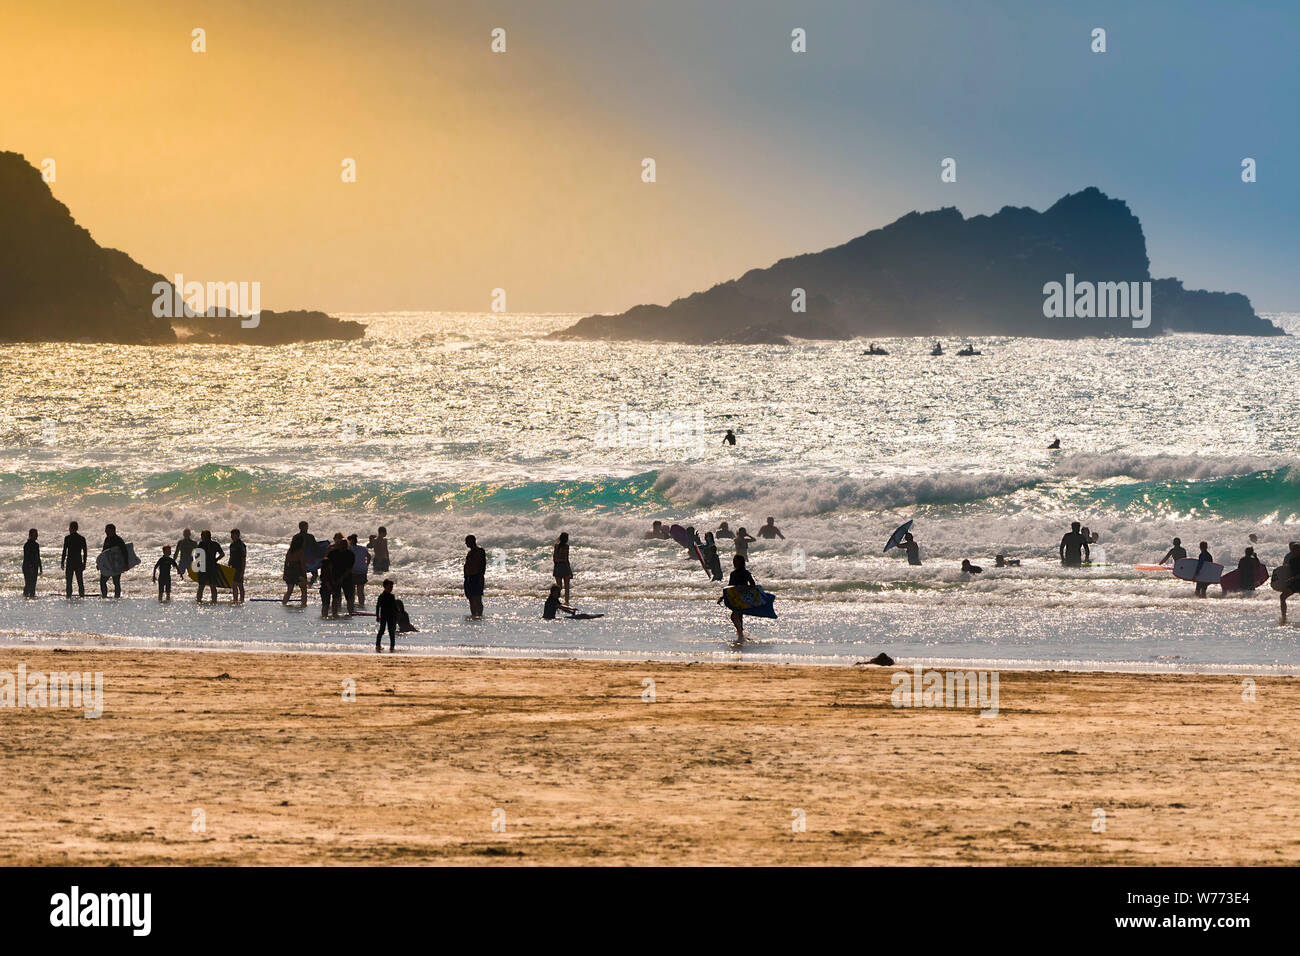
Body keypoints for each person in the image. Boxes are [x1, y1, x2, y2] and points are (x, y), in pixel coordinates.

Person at [721, 554, 758, 643]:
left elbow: (752, 584)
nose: (734, 563)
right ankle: (741, 636)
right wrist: (722, 597)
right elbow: (729, 587)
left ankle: (740, 634)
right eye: (733, 561)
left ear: (741, 562)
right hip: (735, 598)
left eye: (735, 561)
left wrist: (744, 588)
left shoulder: (745, 573)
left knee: (734, 616)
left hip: (743, 598)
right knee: (739, 616)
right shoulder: (733, 573)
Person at [328, 534, 356, 615]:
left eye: (344, 544)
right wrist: (331, 578)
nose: (342, 546)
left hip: (346, 578)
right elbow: (328, 565)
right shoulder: (333, 553)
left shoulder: (350, 554)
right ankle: (334, 614)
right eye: (341, 544)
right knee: (335, 598)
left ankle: (350, 613)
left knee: (349, 598)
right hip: (335, 577)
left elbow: (349, 568)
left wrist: (342, 577)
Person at [195, 530, 225, 603]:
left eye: (202, 536)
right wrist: (216, 560)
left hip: (204, 566)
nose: (201, 537)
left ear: (205, 536)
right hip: (212, 566)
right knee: (212, 586)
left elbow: (197, 555)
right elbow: (222, 554)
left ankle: (199, 601)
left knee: (201, 586)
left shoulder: (201, 544)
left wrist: (197, 563)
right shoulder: (215, 544)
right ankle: (214, 601)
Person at [100, 523, 128, 598]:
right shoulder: (107, 539)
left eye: (107, 530)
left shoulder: (118, 540)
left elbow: (125, 552)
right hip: (107, 564)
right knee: (102, 581)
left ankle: (117, 597)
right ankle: (104, 596)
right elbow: (103, 552)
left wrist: (126, 564)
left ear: (112, 530)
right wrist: (99, 563)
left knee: (116, 582)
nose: (105, 531)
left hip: (116, 564)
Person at [61, 520, 87, 598]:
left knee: (69, 581)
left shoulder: (67, 538)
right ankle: (81, 596)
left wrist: (62, 562)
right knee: (80, 581)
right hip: (78, 562)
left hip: (70, 562)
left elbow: (64, 551)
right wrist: (84, 563)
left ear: (71, 528)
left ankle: (69, 595)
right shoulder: (81, 538)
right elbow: (85, 552)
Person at [463, 534, 487, 619]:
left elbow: (483, 565)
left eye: (467, 541)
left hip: (477, 577)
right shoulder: (470, 552)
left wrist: (481, 577)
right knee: (471, 599)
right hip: (469, 578)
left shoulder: (480, 551)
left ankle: (479, 615)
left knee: (477, 598)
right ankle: (473, 615)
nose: (466, 543)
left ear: (472, 541)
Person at [375, 579, 398, 652]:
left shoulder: (392, 596)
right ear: (385, 587)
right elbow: (377, 606)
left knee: (391, 631)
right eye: (389, 586)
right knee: (381, 630)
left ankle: (392, 646)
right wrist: (377, 616)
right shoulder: (381, 596)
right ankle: (378, 645)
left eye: (392, 587)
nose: (391, 588)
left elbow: (395, 607)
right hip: (384, 616)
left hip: (391, 616)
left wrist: (397, 614)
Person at [282, 541, 308, 606]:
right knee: (304, 590)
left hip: (290, 570)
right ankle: (303, 604)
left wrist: (285, 573)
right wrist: (304, 575)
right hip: (298, 571)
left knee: (289, 590)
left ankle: (284, 603)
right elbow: (302, 564)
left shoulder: (290, 550)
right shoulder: (301, 551)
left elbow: (286, 562)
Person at [1280, 542, 1300, 623]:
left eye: (1295, 550)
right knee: (1282, 597)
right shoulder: (1291, 560)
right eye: (1292, 550)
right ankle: (1284, 617)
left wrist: (1293, 578)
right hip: (1294, 583)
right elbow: (1287, 571)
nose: (1293, 552)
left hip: (1296, 581)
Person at [348, 533, 370, 607]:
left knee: (352, 590)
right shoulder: (363, 548)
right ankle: (361, 605)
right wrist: (366, 565)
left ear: (350, 541)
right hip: (362, 570)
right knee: (360, 591)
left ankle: (352, 605)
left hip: (353, 570)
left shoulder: (349, 548)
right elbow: (369, 556)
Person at [553, 532, 573, 603]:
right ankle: (566, 601)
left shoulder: (556, 546)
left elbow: (554, 558)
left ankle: (556, 600)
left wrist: (556, 565)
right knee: (566, 587)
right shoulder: (566, 546)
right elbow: (566, 559)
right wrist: (570, 571)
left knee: (559, 587)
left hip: (557, 566)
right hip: (564, 566)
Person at [22, 529, 41, 598]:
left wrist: (40, 568)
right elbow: (27, 557)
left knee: (33, 584)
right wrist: (30, 567)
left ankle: (31, 596)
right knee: (28, 583)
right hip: (27, 567)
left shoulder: (36, 545)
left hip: (34, 566)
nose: (37, 535)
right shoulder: (27, 545)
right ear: (31, 535)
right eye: (36, 534)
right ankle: (26, 596)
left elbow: (38, 557)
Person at [228, 529, 247, 604]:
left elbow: (243, 558)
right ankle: (236, 599)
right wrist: (229, 563)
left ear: (238, 535)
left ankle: (240, 600)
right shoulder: (232, 545)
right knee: (236, 584)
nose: (231, 537)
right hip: (233, 566)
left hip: (239, 567)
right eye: (231, 535)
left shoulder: (241, 545)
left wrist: (243, 570)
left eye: (233, 535)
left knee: (238, 584)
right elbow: (231, 556)